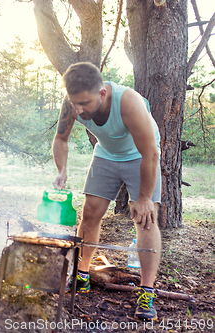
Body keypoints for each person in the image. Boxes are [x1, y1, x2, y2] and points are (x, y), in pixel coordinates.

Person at [52, 62, 161, 320]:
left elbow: (151, 153)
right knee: (90, 213)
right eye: (74, 103)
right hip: (106, 154)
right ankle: (82, 274)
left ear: (101, 93)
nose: (78, 110)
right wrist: (61, 170)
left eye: (85, 104)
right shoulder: (72, 103)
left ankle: (147, 292)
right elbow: (60, 139)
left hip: (140, 156)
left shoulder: (128, 103)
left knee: (145, 220)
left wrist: (144, 198)